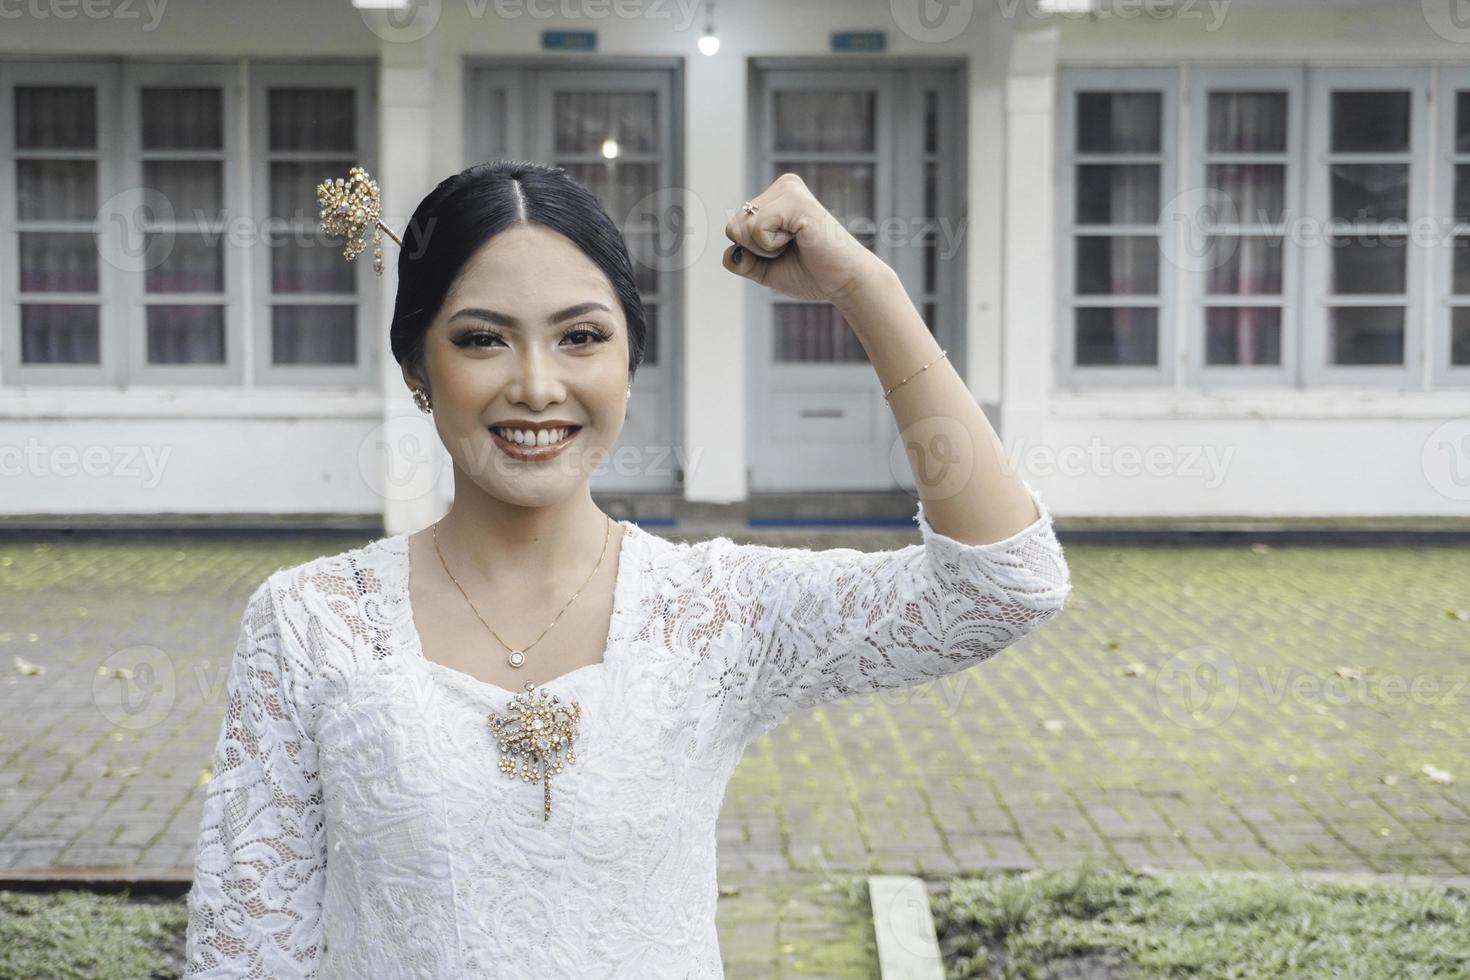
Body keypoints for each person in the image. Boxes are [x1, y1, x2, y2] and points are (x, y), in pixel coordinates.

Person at [181, 160, 1072, 978]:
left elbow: (1003, 585)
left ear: (629, 363)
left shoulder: (714, 612)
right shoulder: (309, 622)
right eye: (483, 339)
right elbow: (246, 948)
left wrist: (864, 288)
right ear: (417, 366)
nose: (536, 385)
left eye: (580, 337)